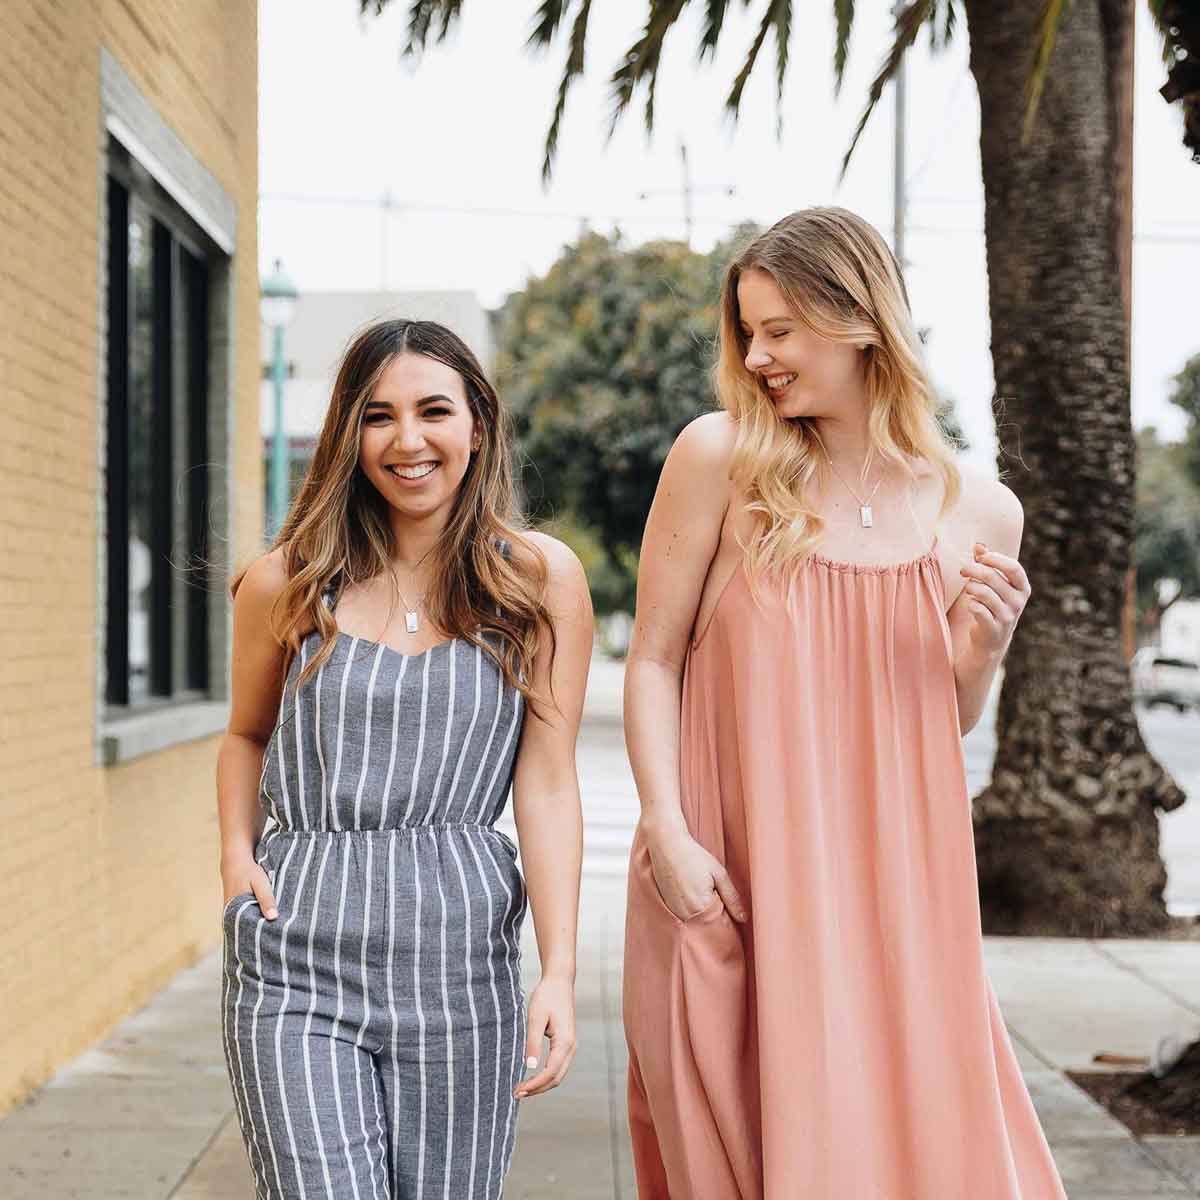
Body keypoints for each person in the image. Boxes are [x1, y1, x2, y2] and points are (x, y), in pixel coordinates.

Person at [621, 208, 1067, 1198]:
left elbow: (937, 720)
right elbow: (650, 658)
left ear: (861, 317)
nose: (760, 355)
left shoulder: (981, 511)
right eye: (749, 332)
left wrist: (982, 651)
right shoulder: (719, 460)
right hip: (729, 873)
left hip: (898, 901)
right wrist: (667, 833)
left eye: (782, 329)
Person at [216, 319, 593, 1198]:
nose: (408, 440)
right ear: (350, 433)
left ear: (477, 426)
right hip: (295, 963)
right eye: (379, 416)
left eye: (434, 411)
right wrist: (238, 858)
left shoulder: (538, 580)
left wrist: (559, 971)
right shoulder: (287, 582)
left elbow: (546, 782)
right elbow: (245, 735)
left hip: (460, 973)